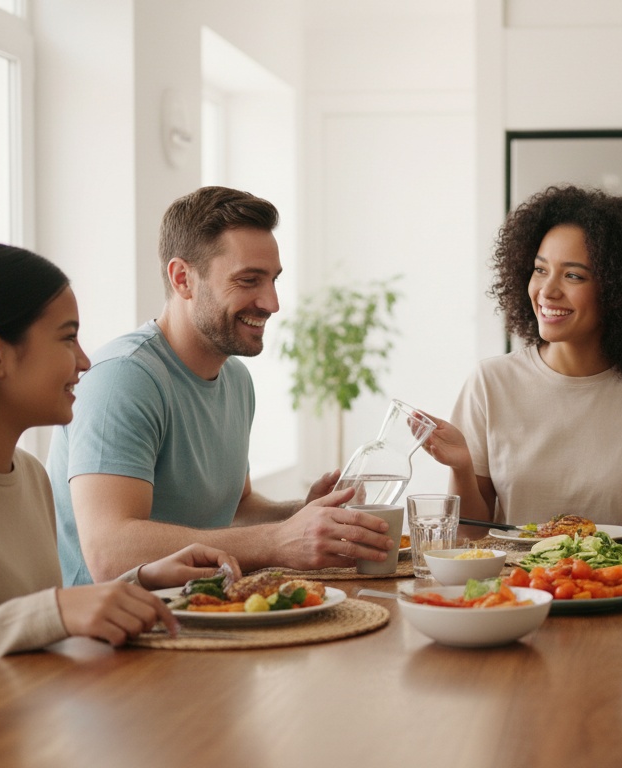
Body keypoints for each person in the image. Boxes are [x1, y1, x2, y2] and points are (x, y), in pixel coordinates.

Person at [0, 243, 240, 723]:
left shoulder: (29, 476)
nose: (84, 361)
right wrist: (54, 611)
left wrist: (140, 581)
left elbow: (27, 624)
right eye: (67, 338)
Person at [49, 187, 392, 586]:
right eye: (249, 280)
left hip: (202, 609)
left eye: (273, 280)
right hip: (112, 622)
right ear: (183, 279)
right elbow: (110, 553)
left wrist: (301, 514)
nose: (272, 303)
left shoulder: (236, 379)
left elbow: (235, 510)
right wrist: (277, 541)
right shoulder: (123, 378)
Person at [423, 185, 622, 528]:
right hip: (511, 567)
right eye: (540, 269)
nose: (547, 291)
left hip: (619, 566)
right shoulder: (490, 382)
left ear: (620, 291)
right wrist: (461, 467)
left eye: (573, 275)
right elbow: (470, 537)